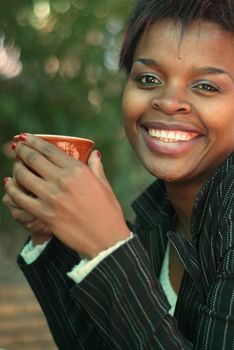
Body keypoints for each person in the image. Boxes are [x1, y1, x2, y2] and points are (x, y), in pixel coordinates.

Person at [2, 0, 234, 348]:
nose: (169, 101)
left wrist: (109, 249)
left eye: (206, 86)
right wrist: (49, 236)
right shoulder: (158, 215)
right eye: (148, 78)